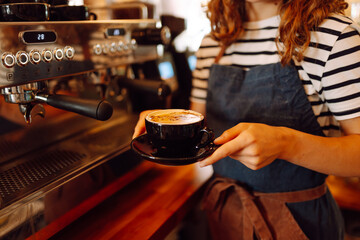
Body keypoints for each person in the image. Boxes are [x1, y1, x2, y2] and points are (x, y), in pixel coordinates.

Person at [133, 0, 360, 239]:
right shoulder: (213, 44)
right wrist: (168, 124)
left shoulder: (335, 37)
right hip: (226, 217)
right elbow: (200, 133)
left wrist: (286, 144)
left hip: (300, 223)